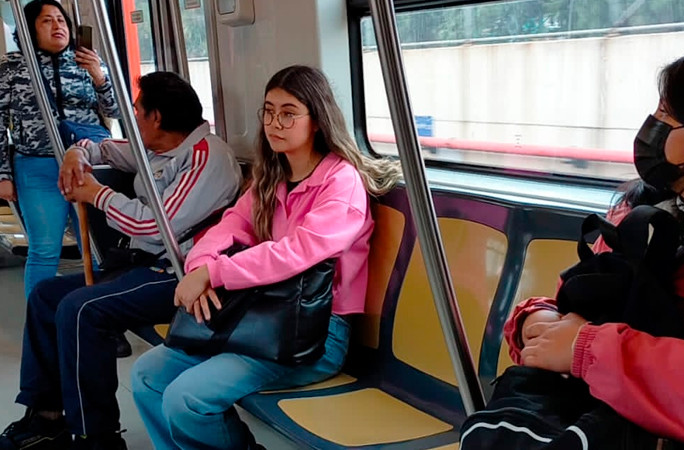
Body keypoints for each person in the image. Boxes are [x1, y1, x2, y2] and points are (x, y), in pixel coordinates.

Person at [503, 45, 684, 449]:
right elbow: (582, 307)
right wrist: (533, 321)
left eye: (667, 113)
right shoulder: (641, 213)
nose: (652, 128)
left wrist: (587, 350)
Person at [131, 65, 402, 450]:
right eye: (269, 112)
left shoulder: (341, 183)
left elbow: (296, 254)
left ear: (317, 121)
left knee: (186, 398)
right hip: (259, 315)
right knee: (147, 376)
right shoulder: (272, 177)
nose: (275, 123)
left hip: (314, 333)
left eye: (289, 113)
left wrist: (215, 273)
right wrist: (199, 266)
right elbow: (230, 225)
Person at [0, 71, 242, 450]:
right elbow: (105, 149)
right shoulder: (156, 148)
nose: (134, 117)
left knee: (82, 309)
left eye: (137, 111)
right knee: (47, 296)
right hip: (143, 264)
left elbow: (155, 226)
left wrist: (97, 194)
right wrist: (77, 153)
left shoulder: (207, 158)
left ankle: (96, 436)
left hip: (181, 275)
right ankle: (46, 416)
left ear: (156, 117)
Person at [0, 0, 120, 298]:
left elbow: (116, 110)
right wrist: (3, 174)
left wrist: (99, 77)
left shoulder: (87, 62)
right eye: (47, 21)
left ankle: (99, 311)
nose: (57, 26)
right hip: (37, 165)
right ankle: (41, 317)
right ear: (29, 30)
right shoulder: (11, 68)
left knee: (97, 247)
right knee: (44, 249)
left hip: (88, 164)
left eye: (61, 20)